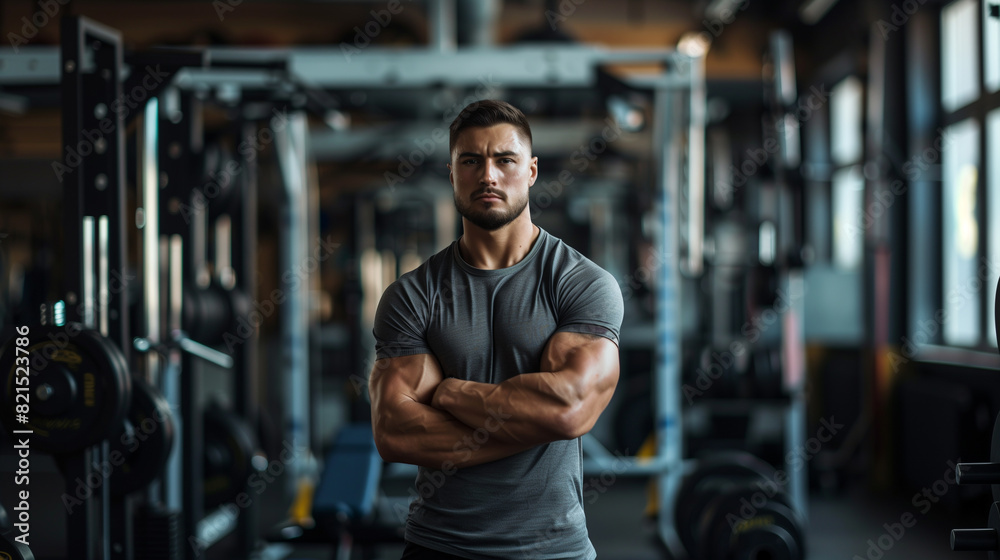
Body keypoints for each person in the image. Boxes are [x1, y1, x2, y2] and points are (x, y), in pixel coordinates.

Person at [370, 99, 624, 559]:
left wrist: (449, 393)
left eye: (505, 160)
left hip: (554, 551)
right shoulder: (411, 295)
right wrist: (530, 420)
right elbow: (395, 432)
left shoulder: (582, 283)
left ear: (531, 171)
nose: (488, 175)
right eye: (471, 161)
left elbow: (568, 409)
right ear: (452, 174)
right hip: (438, 548)